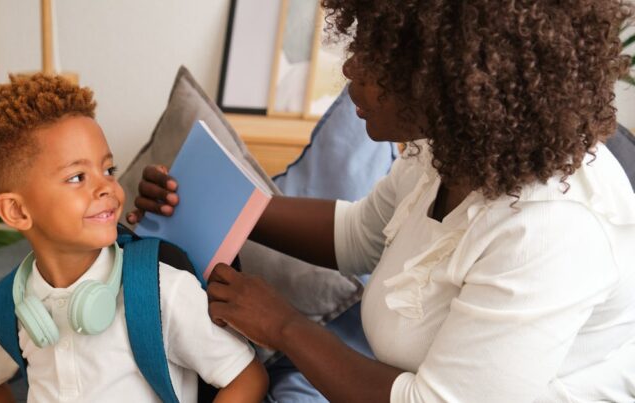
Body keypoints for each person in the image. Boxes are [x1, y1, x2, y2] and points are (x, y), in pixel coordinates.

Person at [127, 1, 635, 401]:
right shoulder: (454, 149)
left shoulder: (550, 233)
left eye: (378, 55)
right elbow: (358, 236)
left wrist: (284, 326)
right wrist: (216, 201)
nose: (350, 66)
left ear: (453, 79)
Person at [0, 73, 267, 403]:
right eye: (77, 177)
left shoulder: (162, 291)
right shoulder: (2, 306)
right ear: (17, 212)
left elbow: (246, 377)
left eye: (108, 170)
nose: (106, 186)